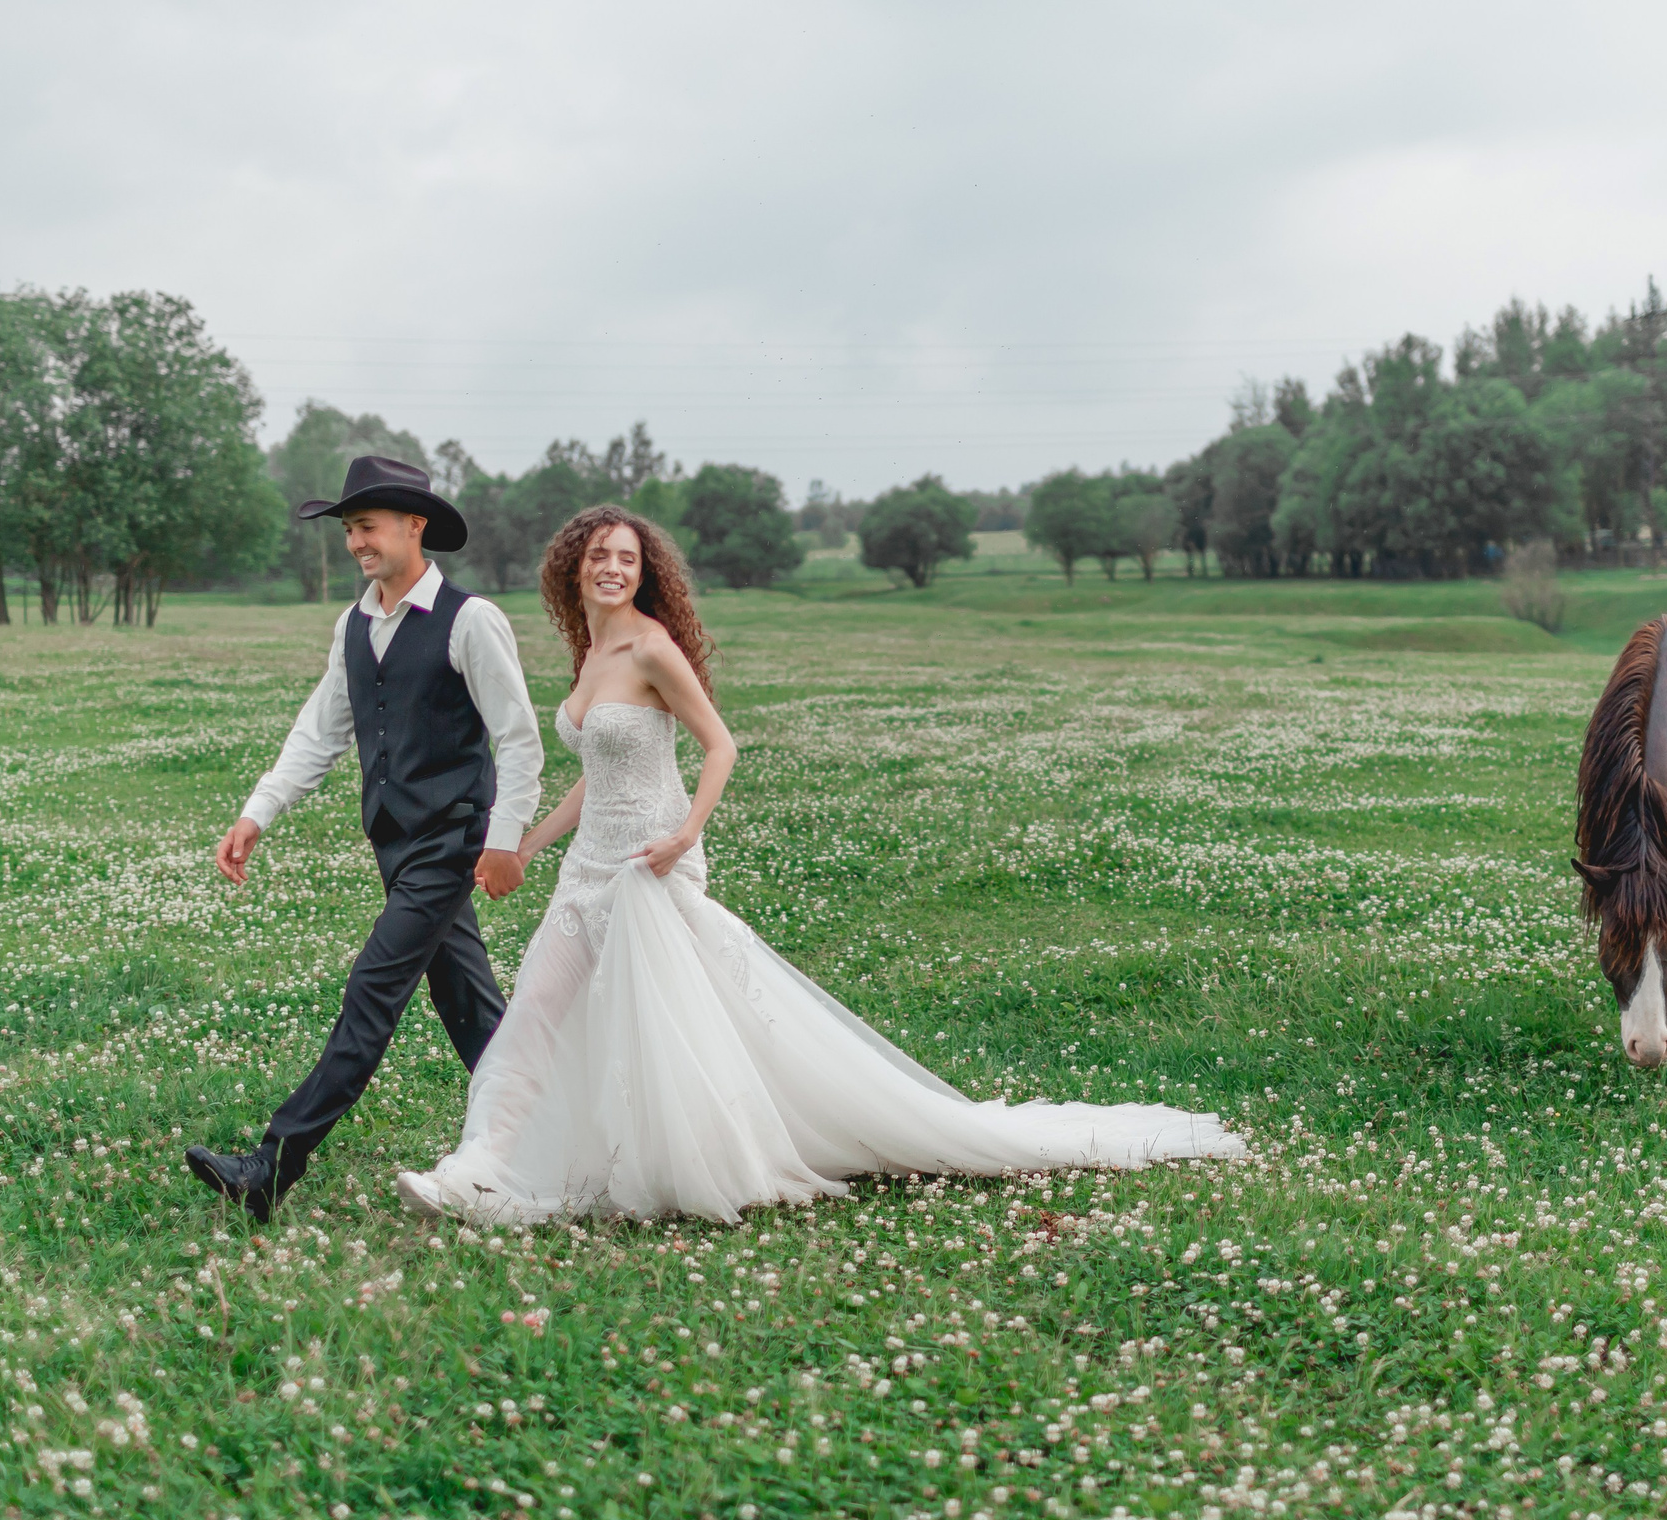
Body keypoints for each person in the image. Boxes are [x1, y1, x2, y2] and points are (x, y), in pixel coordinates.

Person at [398, 504, 1242, 1226]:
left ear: (642, 572)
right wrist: (525, 843)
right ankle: (477, 1170)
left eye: (627, 557)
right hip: (586, 870)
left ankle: (706, 1152)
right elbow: (599, 772)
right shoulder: (590, 652)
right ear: (573, 571)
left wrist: (687, 833)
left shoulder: (654, 647)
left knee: (683, 1024)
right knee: (536, 1015)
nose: (612, 568)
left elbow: (719, 745)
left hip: (649, 867)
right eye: (599, 557)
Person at [189, 454, 544, 1223]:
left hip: (452, 841)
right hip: (394, 841)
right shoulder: (354, 623)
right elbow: (320, 731)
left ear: (415, 527)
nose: (356, 540)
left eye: (368, 525)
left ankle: (273, 1165)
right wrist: (257, 812)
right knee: (471, 1006)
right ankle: (554, 1141)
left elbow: (518, 740)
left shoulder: (471, 620)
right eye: (349, 528)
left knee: (372, 992)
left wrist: (505, 839)